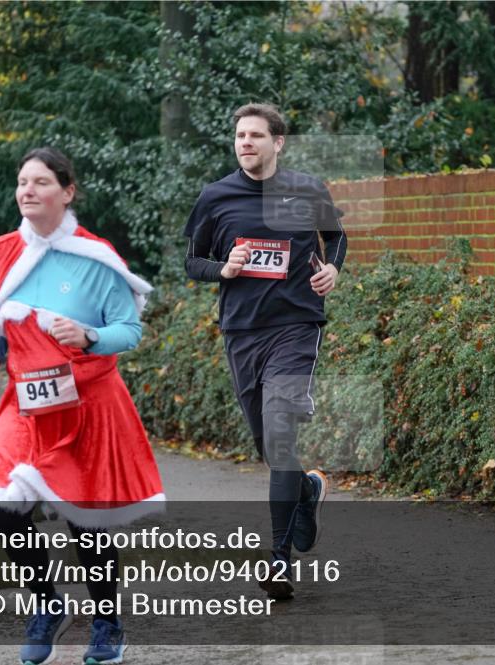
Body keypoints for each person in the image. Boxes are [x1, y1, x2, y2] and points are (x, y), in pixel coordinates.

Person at [0, 147, 164, 665]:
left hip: (86, 402)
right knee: (2, 503)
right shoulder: (0, 252)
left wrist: (87, 334)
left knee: (86, 520)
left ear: (68, 191)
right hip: (27, 399)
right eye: (22, 182)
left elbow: (129, 330)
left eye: (40, 182)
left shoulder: (94, 256)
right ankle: (46, 604)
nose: (27, 191)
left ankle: (107, 623)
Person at [183, 103, 346, 600]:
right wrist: (223, 270)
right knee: (269, 447)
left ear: (278, 142)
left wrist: (334, 270)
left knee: (279, 435)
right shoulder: (217, 196)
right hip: (242, 333)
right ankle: (307, 491)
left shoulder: (306, 189)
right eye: (239, 135)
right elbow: (192, 261)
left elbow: (336, 237)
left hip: (296, 328)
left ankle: (277, 560)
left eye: (255, 135)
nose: (245, 142)